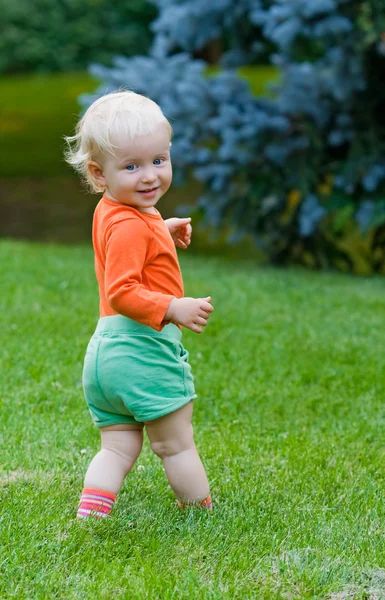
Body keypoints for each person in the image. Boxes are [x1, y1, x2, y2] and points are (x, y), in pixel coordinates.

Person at [64, 90, 214, 519]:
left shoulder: (113, 209)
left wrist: (162, 231)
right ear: (99, 173)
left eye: (158, 161)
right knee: (175, 443)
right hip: (142, 350)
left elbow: (126, 239)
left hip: (105, 356)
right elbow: (122, 290)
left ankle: (92, 514)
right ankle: (203, 512)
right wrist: (172, 307)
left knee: (117, 446)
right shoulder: (132, 225)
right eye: (131, 166)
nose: (149, 176)